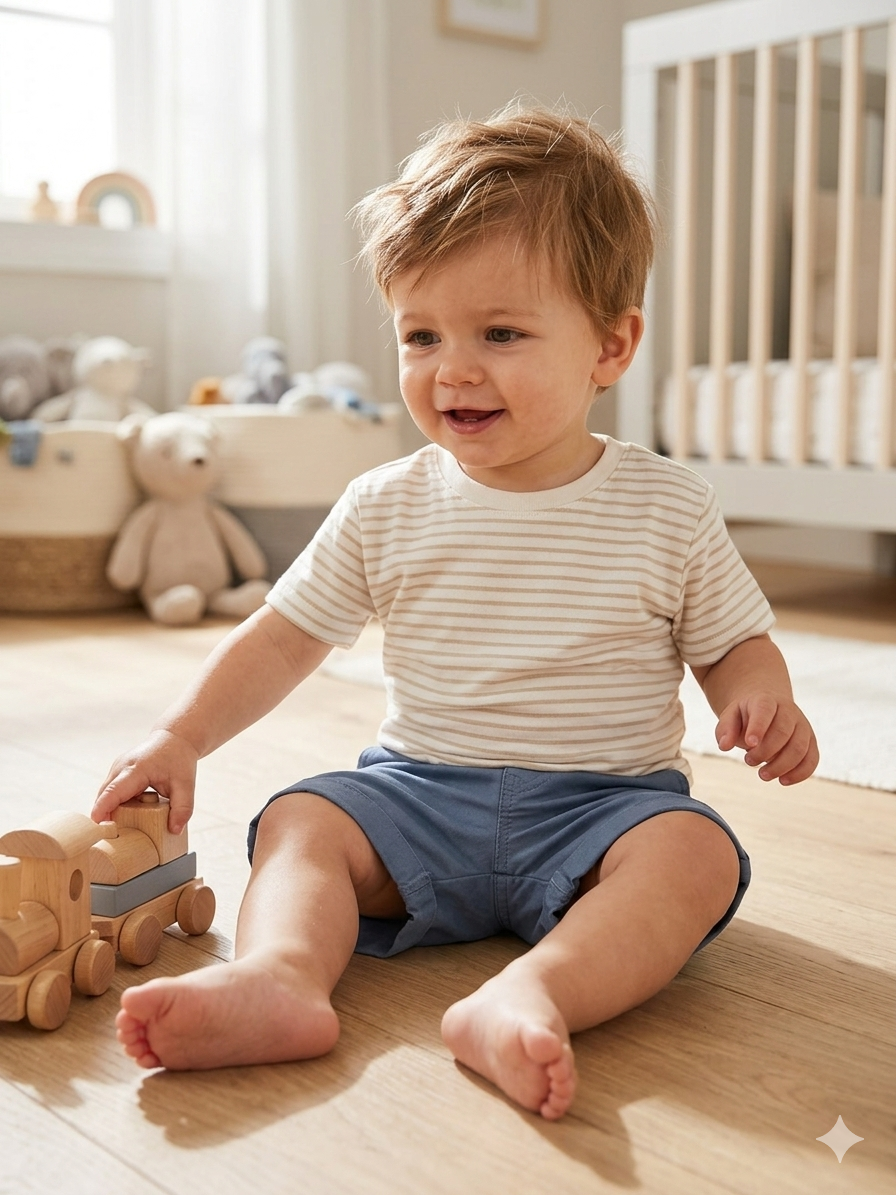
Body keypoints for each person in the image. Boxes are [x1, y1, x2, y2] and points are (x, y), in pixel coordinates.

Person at [92, 103, 818, 1121]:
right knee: (304, 819)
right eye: (419, 333)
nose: (452, 368)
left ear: (609, 347)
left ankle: (534, 990)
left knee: (691, 854)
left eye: (500, 333)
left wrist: (757, 696)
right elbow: (286, 633)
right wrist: (183, 735)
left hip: (600, 811)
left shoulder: (666, 505)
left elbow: (731, 639)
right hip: (417, 799)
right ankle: (279, 976)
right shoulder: (385, 503)